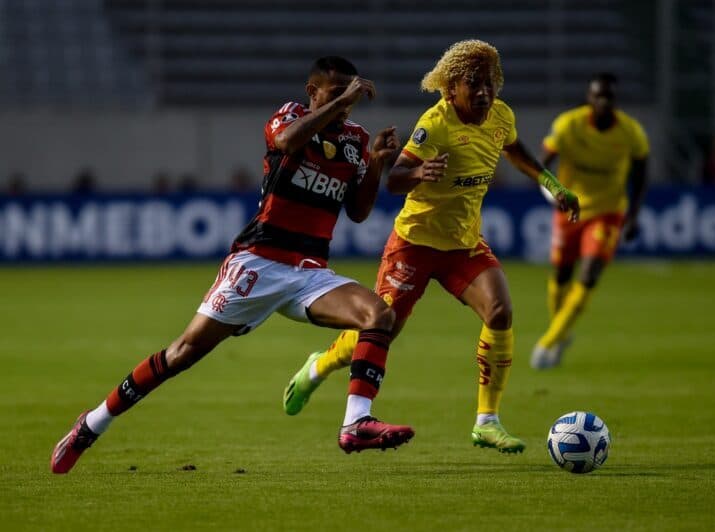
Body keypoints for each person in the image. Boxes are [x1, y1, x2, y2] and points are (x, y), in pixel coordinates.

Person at [50, 56, 414, 474]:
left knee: (379, 315)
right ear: (313, 92)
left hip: (310, 272)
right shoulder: (290, 116)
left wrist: (377, 162)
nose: (347, 105)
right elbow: (288, 143)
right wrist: (337, 104)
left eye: (351, 96)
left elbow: (359, 211)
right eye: (336, 94)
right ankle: (92, 423)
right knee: (182, 354)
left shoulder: (355, 139)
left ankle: (355, 422)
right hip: (258, 262)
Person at [281, 40, 579, 453]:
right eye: (473, 83)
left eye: (489, 83)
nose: (484, 92)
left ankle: (487, 421)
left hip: (463, 244)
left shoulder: (501, 116)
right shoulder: (435, 124)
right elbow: (395, 178)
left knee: (500, 311)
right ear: (450, 88)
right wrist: (419, 171)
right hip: (414, 244)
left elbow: (515, 149)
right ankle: (321, 364)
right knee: (381, 328)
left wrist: (552, 184)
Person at [530, 72, 649, 369]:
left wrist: (633, 216)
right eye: (598, 96)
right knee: (561, 276)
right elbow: (541, 164)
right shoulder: (568, 125)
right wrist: (551, 191)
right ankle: (562, 330)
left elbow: (642, 173)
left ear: (615, 101)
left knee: (590, 273)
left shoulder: (631, 133)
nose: (604, 102)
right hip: (571, 209)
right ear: (589, 99)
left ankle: (548, 342)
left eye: (609, 97)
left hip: (608, 212)